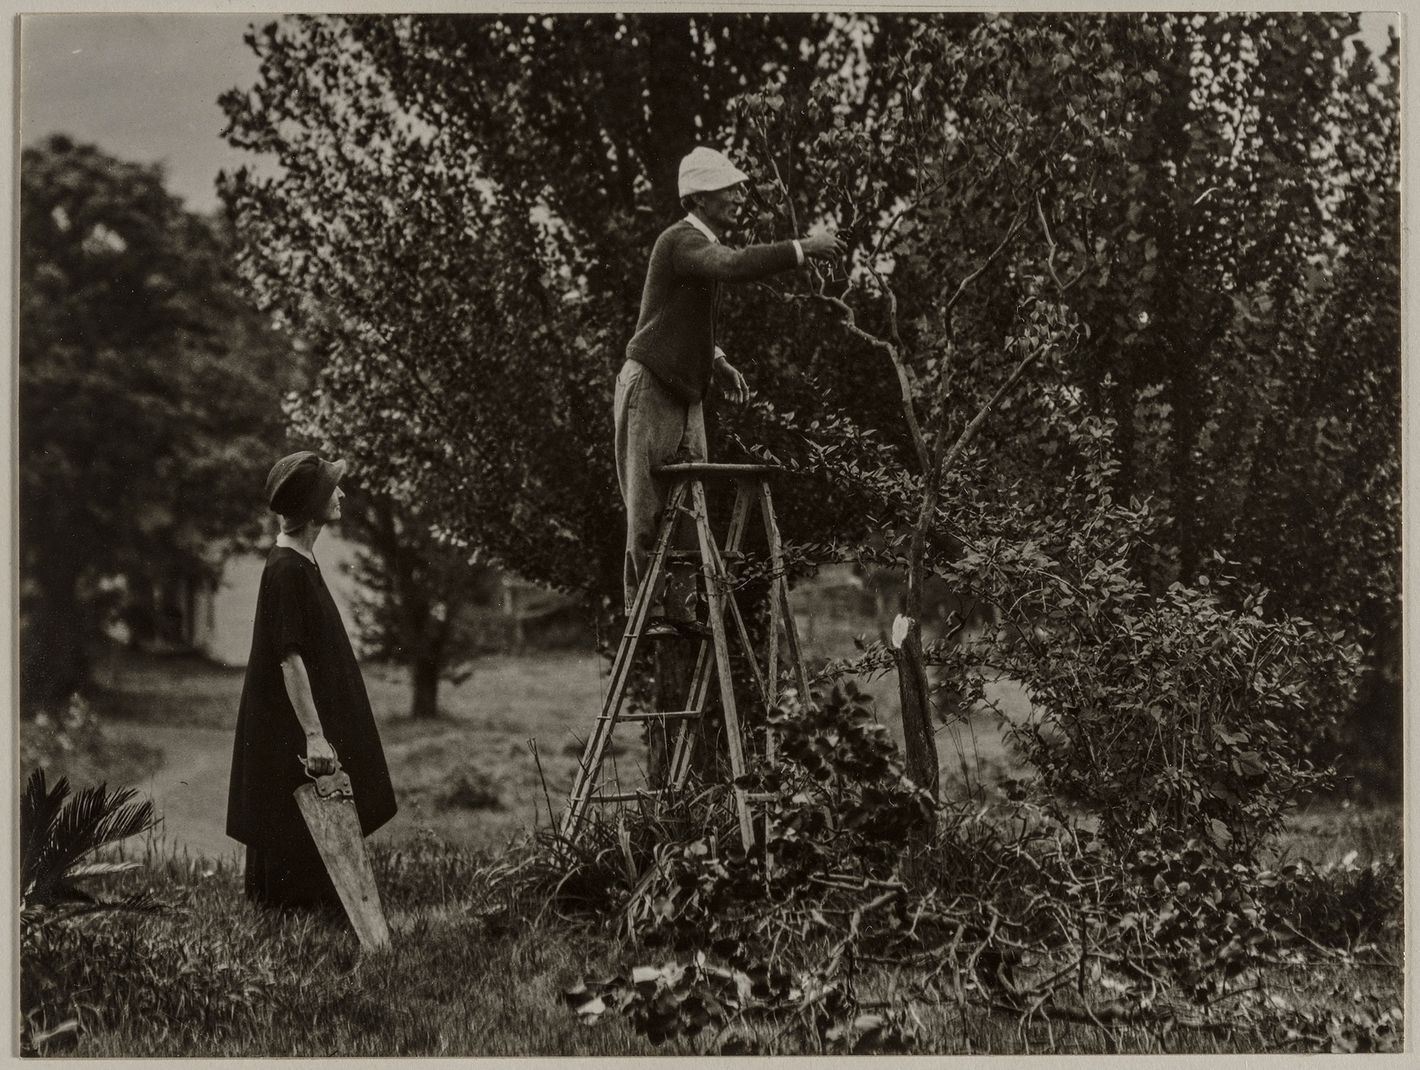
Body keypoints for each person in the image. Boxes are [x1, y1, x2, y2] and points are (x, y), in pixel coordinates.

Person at [616, 146, 845, 634]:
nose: (741, 196)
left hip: (686, 388)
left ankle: (678, 610)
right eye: (730, 188)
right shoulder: (681, 241)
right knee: (647, 503)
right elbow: (736, 266)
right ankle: (646, 611)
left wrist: (716, 360)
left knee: (686, 504)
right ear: (700, 197)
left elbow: (681, 317)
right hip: (651, 385)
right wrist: (803, 248)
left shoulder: (697, 244)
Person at [226, 451, 397, 916]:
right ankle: (294, 923)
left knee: (311, 829)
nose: (340, 494)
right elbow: (289, 659)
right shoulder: (284, 570)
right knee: (288, 825)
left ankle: (319, 915)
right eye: (331, 489)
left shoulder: (304, 560)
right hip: (291, 726)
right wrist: (315, 735)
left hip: (302, 720)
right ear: (311, 505)